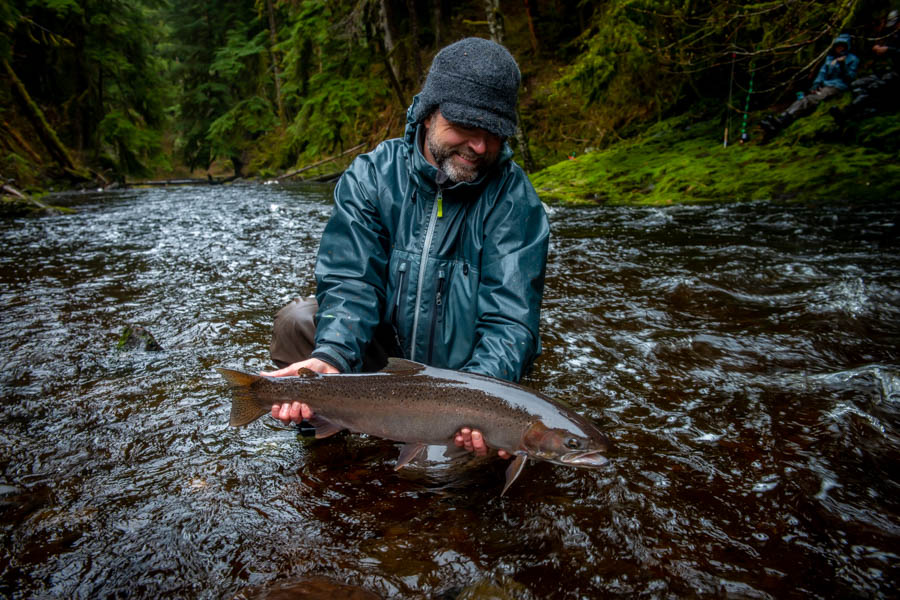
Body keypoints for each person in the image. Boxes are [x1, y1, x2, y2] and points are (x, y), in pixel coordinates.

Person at [264, 37, 551, 459]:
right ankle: (326, 428)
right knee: (298, 324)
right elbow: (350, 284)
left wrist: (480, 401)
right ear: (429, 112)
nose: (480, 146)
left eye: (495, 133)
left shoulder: (514, 200)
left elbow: (510, 323)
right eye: (467, 126)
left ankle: (451, 443)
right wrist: (331, 357)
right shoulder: (371, 177)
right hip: (386, 365)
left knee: (446, 480)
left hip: (465, 374)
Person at [761, 33, 859, 136]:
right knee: (803, 99)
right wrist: (815, 85)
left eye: (842, 46)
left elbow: (850, 77)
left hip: (837, 86)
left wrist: (842, 64)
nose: (839, 48)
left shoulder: (852, 59)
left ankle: (783, 120)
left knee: (810, 99)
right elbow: (822, 73)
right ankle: (782, 117)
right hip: (825, 85)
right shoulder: (830, 59)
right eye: (838, 45)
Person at [832, 10, 899, 122]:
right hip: (891, 72)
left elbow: (894, 51)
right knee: (857, 84)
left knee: (874, 88)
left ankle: (846, 113)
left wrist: (889, 50)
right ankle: (865, 110)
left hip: (896, 77)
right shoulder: (894, 36)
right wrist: (880, 50)